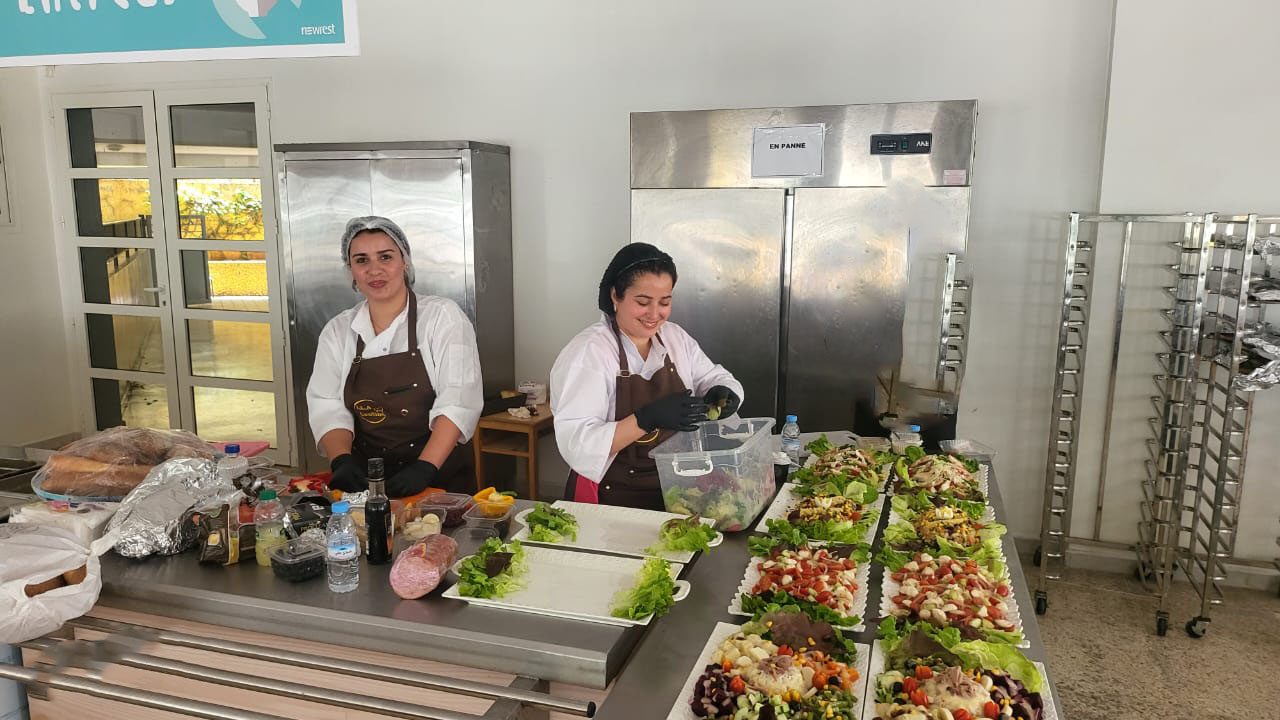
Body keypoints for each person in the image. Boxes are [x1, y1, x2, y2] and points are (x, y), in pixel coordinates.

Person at [550, 243, 744, 510]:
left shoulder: (674, 338)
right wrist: (646, 419)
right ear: (615, 296)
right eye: (642, 302)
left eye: (665, 302)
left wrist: (724, 392)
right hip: (612, 498)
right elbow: (579, 442)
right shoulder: (590, 352)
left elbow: (711, 376)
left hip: (675, 490)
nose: (655, 314)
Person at [306, 216, 483, 498]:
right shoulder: (339, 331)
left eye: (385, 257)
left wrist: (425, 467)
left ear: (405, 261)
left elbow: (458, 400)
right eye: (362, 260)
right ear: (350, 270)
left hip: (438, 478)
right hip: (367, 482)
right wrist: (341, 459)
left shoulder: (442, 317)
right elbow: (326, 404)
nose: (375, 270)